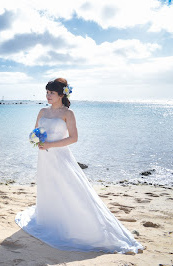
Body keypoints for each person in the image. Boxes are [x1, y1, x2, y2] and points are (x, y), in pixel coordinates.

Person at [15, 78, 143, 254]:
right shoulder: (42, 111)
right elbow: (35, 131)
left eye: (52, 93)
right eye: (47, 92)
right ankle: (50, 217)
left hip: (59, 156)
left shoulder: (68, 113)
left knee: (68, 187)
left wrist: (51, 145)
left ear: (61, 94)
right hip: (44, 157)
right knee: (48, 187)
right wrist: (36, 139)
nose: (48, 96)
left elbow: (73, 138)